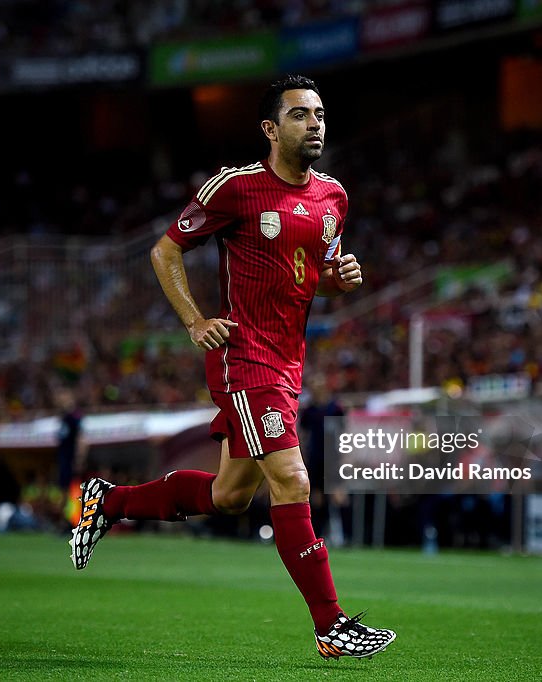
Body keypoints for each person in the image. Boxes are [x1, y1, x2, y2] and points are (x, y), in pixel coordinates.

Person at [69, 74, 395, 660]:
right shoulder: (235, 188)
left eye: (320, 113)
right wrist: (195, 321)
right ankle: (332, 627)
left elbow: (312, 276)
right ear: (271, 129)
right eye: (300, 115)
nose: (315, 123)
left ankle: (106, 501)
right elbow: (165, 250)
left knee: (229, 496)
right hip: (243, 357)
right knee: (293, 479)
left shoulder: (334, 197)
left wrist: (339, 280)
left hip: (288, 361)